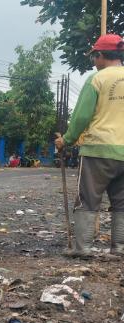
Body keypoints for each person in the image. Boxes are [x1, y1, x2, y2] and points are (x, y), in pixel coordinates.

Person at [55, 34, 124, 257]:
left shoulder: (96, 79)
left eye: (94, 56)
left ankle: (83, 248)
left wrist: (66, 140)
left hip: (98, 151)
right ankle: (118, 249)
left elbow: (81, 117)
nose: (94, 61)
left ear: (100, 55)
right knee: (122, 203)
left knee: (88, 199)